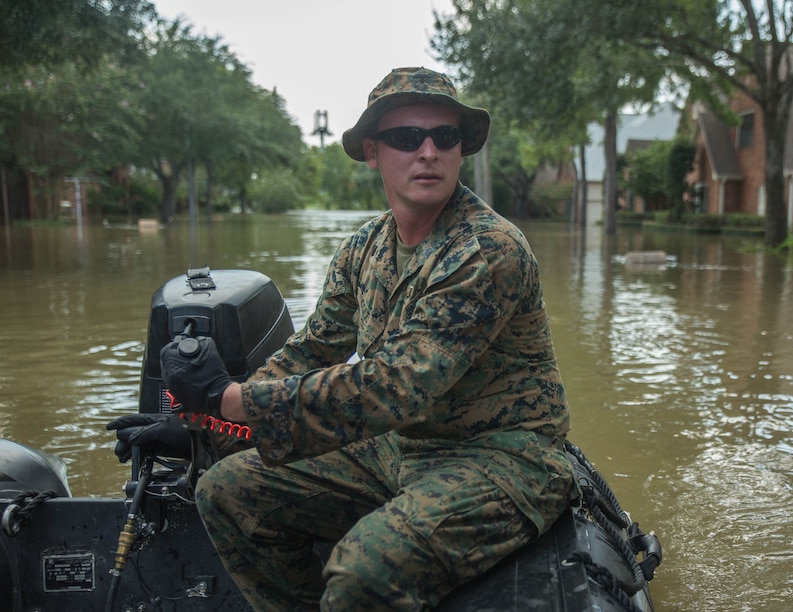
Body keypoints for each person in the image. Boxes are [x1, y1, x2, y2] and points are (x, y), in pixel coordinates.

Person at [152, 66, 577, 611]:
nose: (428, 152)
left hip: (502, 456)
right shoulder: (364, 248)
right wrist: (203, 422)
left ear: (460, 150)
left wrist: (228, 399)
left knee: (365, 571)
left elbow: (397, 383)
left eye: (444, 137)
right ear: (373, 152)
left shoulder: (488, 250)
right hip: (399, 445)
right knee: (228, 492)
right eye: (406, 138)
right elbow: (311, 351)